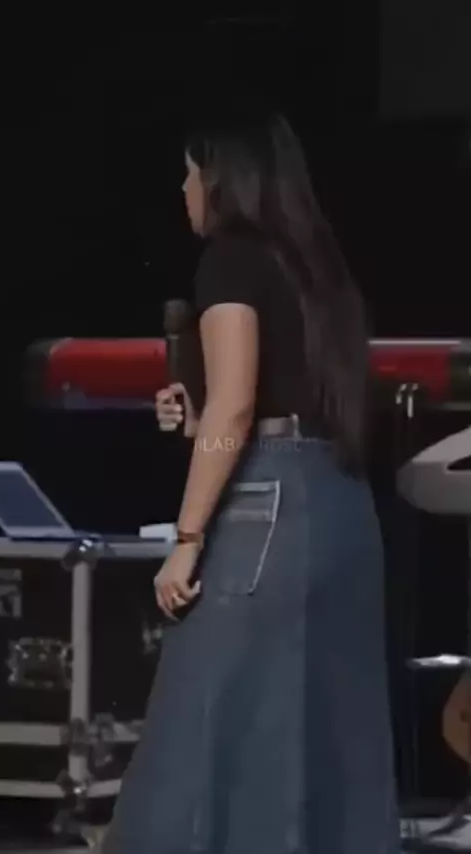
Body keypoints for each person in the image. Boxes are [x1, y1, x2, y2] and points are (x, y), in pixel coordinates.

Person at [102, 110, 399, 854]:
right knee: (329, 741)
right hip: (341, 508)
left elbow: (236, 408)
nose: (183, 191)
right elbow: (269, 405)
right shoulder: (320, 270)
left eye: (188, 174)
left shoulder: (229, 260)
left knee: (207, 728)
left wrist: (187, 538)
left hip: (267, 508)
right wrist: (201, 417)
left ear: (220, 178)